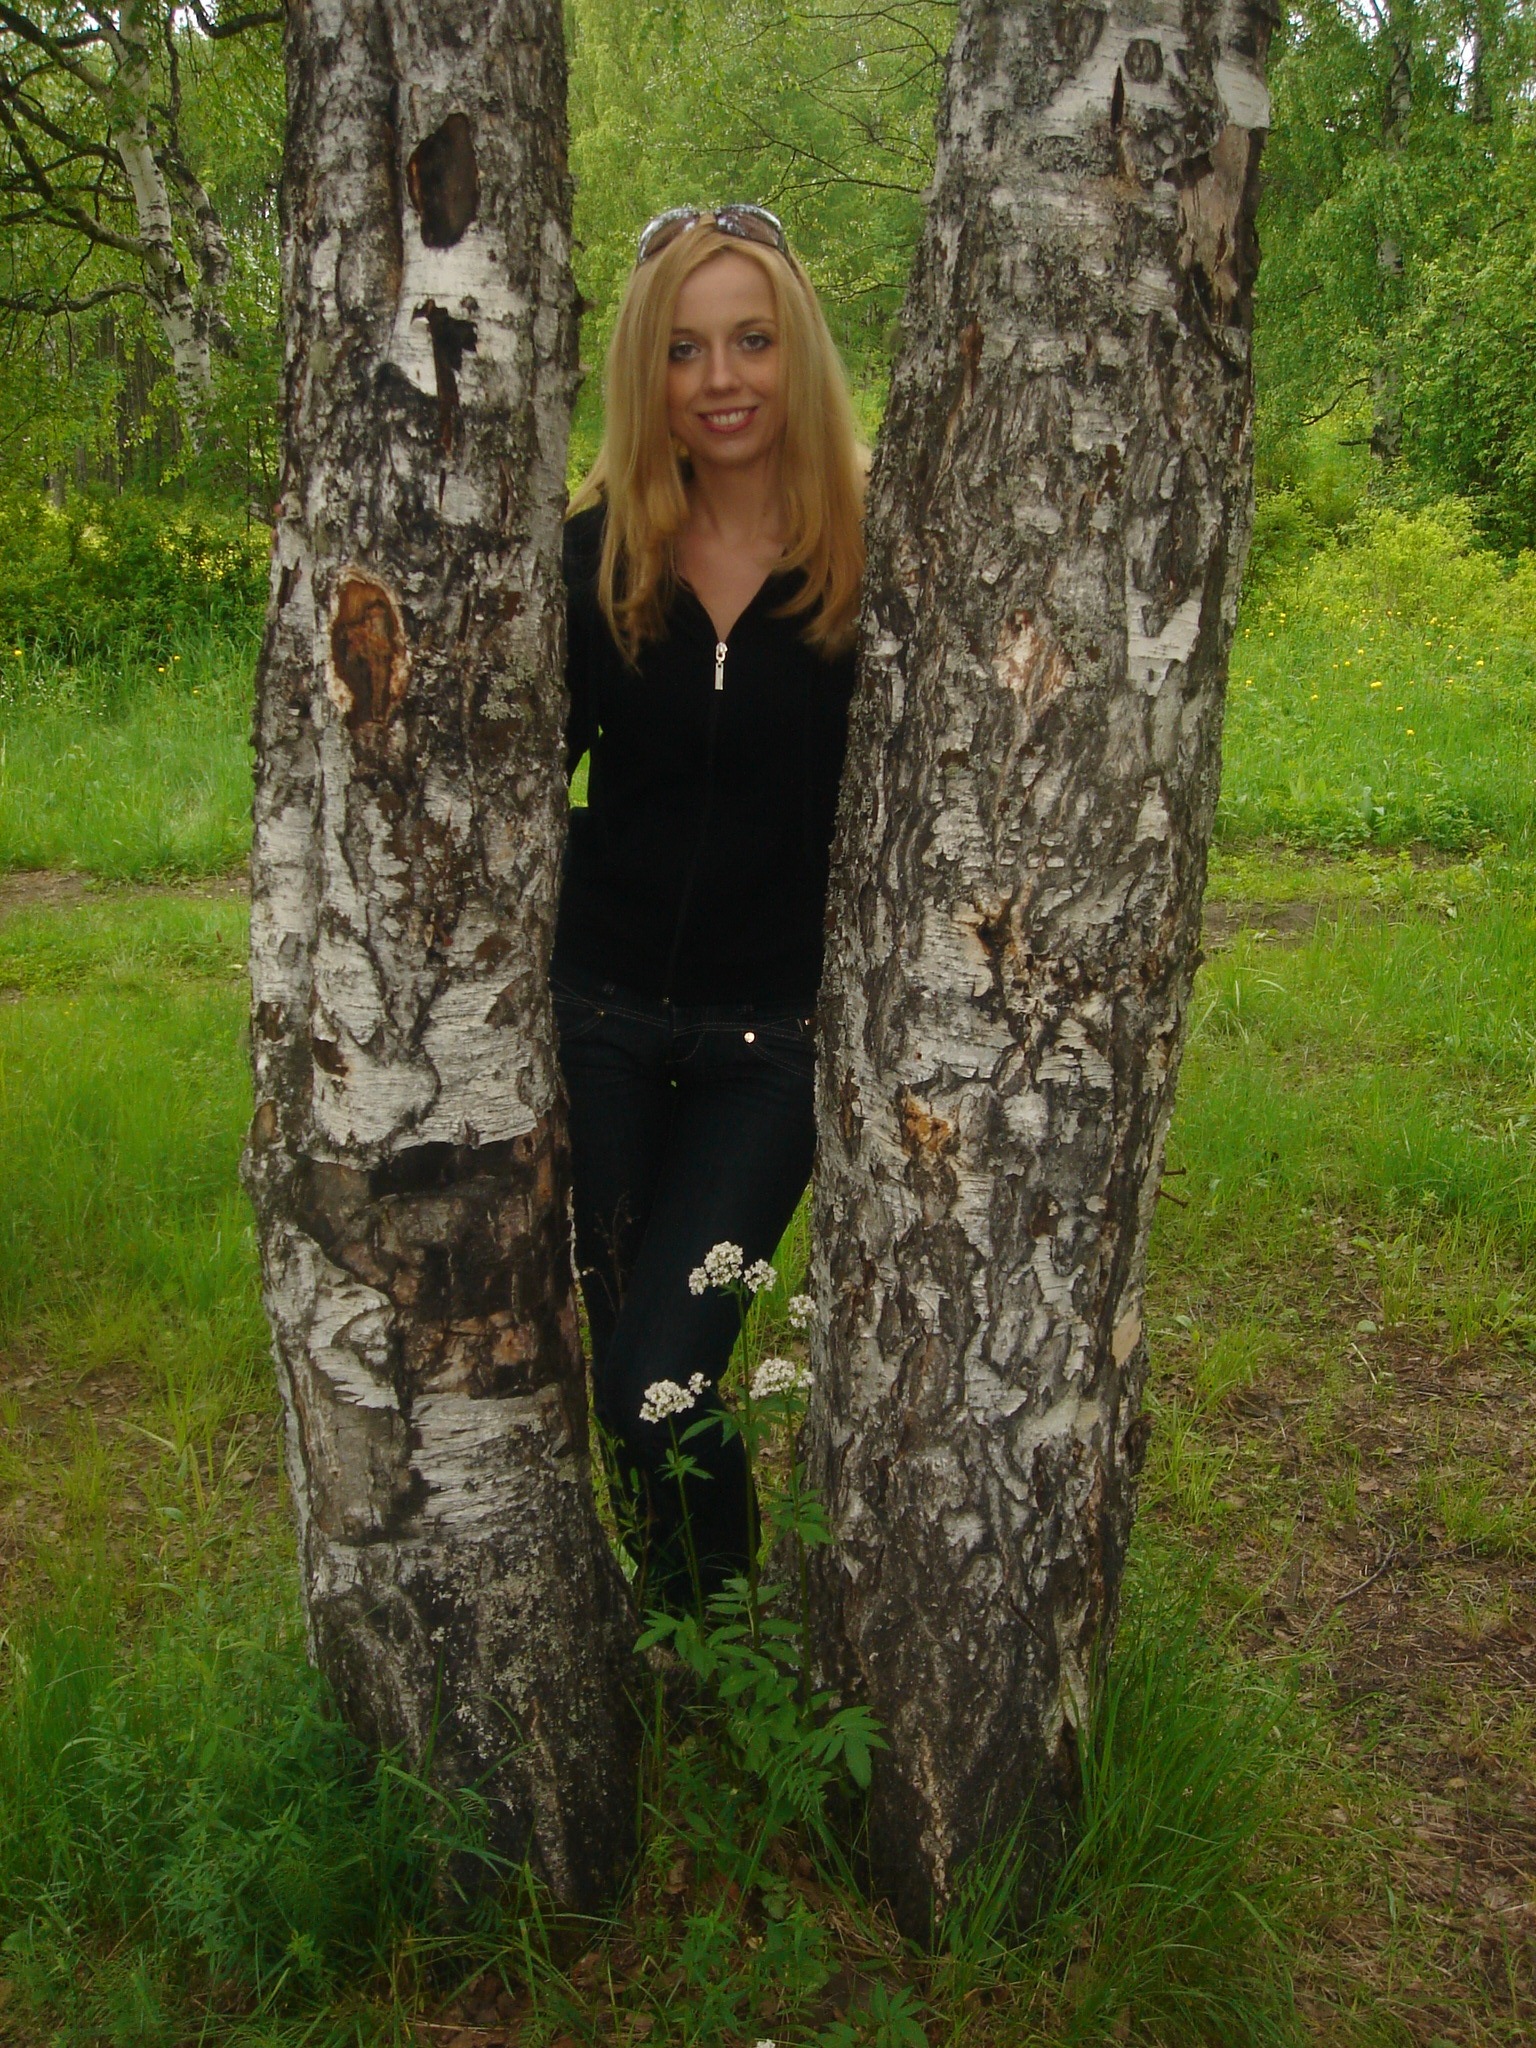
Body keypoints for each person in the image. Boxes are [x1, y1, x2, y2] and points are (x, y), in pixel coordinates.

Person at [552, 204, 865, 1606]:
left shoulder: (876, 554)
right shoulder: (596, 555)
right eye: (684, 349)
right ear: (646, 372)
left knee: (660, 1375)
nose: (721, 379)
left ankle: (726, 1651)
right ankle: (687, 1639)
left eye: (751, 340)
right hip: (599, 1024)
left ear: (798, 355)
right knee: (631, 1367)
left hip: (771, 1048)